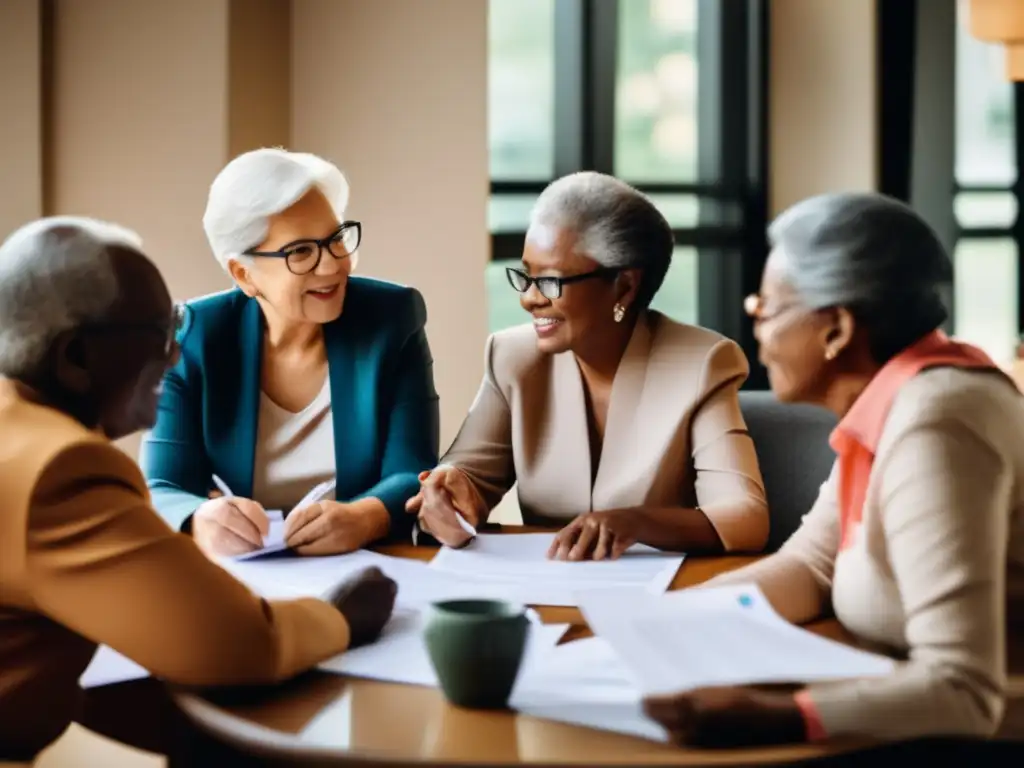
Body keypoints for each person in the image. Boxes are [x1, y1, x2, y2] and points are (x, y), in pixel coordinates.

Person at [0, 217, 397, 761]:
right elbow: (235, 646)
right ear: (75, 358)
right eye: (160, 332)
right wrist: (343, 616)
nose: (175, 354)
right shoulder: (60, 470)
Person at [641, 192, 1024, 749]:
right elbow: (812, 565)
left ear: (836, 330)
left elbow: (964, 691)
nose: (758, 334)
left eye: (766, 310)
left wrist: (779, 716)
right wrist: (664, 619)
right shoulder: (896, 401)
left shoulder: (937, 422)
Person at [407, 171, 769, 560]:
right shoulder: (512, 357)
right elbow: (469, 477)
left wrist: (634, 523)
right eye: (526, 275)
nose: (529, 299)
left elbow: (745, 517)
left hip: (655, 593)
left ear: (625, 287)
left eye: (550, 280)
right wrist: (448, 497)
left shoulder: (702, 363)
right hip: (545, 589)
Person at [140, 148, 440, 558]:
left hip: (364, 565)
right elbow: (163, 486)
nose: (333, 265)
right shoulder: (193, 336)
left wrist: (363, 518)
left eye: (336, 239)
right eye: (300, 251)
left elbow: (413, 470)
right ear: (243, 274)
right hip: (241, 573)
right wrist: (200, 517)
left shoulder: (392, 318)